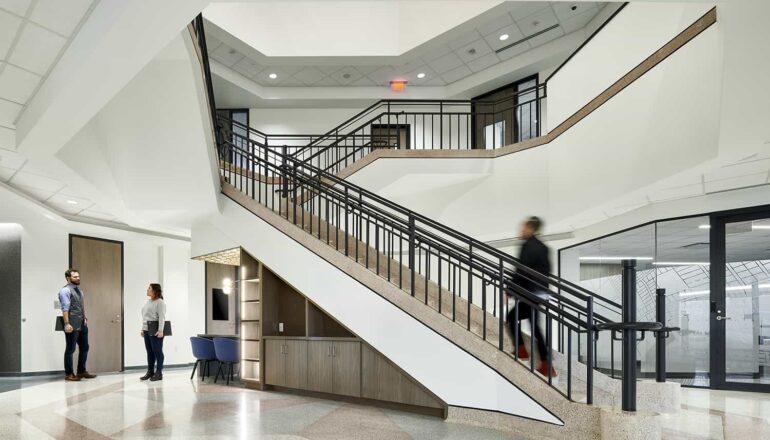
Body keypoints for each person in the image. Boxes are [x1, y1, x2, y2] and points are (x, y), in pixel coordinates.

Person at [506, 216, 557, 377]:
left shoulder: (527, 246)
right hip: (541, 292)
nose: (521, 231)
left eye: (524, 228)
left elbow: (521, 270)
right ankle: (546, 363)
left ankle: (522, 350)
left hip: (529, 292)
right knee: (534, 326)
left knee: (512, 317)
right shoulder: (543, 247)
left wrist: (509, 289)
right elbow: (546, 271)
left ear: (531, 229)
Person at [59, 269, 97, 381]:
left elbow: (80, 306)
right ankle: (69, 373)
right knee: (70, 349)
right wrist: (66, 324)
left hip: (81, 322)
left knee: (85, 347)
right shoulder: (65, 291)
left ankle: (81, 371)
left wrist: (84, 317)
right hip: (71, 323)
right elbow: (65, 309)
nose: (78, 278)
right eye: (75, 277)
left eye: (78, 276)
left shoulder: (80, 291)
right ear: (68, 278)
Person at [140, 283, 166, 382]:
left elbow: (162, 317)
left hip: (156, 330)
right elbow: (145, 317)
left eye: (149, 288)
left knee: (157, 351)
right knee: (150, 352)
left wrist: (160, 330)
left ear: (154, 291)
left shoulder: (160, 302)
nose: (147, 289)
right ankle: (150, 371)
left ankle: (159, 372)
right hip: (147, 329)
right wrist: (143, 329)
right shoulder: (148, 302)